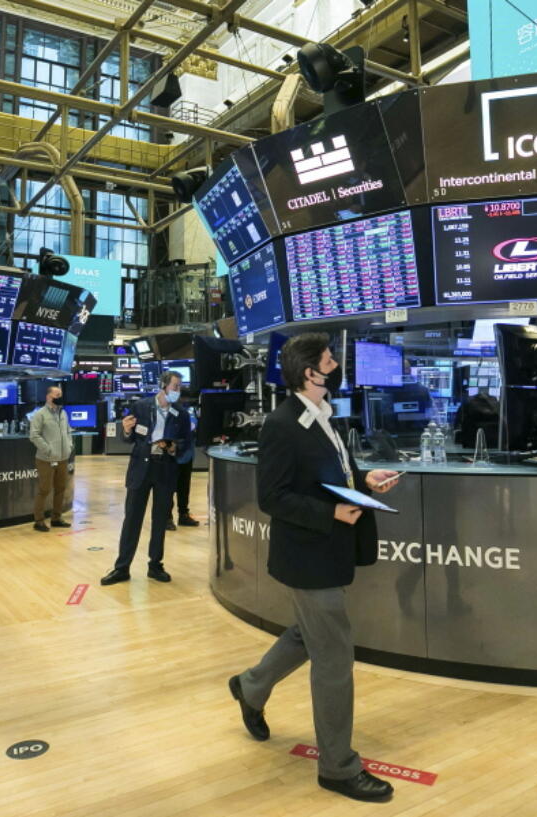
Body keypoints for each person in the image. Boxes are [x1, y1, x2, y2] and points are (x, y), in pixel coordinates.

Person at [227, 333, 401, 803]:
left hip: (328, 551)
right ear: (310, 371)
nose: (335, 363)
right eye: (328, 358)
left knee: (308, 635)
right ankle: (338, 767)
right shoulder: (281, 424)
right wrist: (329, 514)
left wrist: (363, 479)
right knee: (334, 658)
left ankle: (250, 686)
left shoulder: (325, 416)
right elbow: (273, 497)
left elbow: (331, 475)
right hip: (308, 555)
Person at [101, 370, 190, 585]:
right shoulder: (141, 407)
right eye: (175, 386)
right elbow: (127, 438)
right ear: (163, 385)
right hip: (141, 468)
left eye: (180, 388)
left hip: (165, 469)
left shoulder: (181, 414)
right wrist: (126, 431)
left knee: (160, 520)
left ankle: (155, 565)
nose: (178, 391)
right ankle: (122, 568)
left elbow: (186, 445)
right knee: (132, 519)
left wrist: (171, 447)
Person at [28, 384, 73, 532]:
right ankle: (39, 520)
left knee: (60, 488)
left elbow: (68, 431)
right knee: (44, 490)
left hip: (63, 458)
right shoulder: (40, 414)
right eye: (57, 395)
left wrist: (69, 446)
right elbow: (34, 435)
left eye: (61, 395)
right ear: (48, 396)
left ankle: (56, 518)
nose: (60, 398)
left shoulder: (63, 413)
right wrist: (48, 450)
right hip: (46, 459)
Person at [166, 407, 199, 531]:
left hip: (186, 453)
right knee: (169, 487)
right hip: (171, 454)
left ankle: (183, 515)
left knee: (184, 487)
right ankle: (167, 517)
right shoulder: (170, 410)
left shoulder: (190, 410)